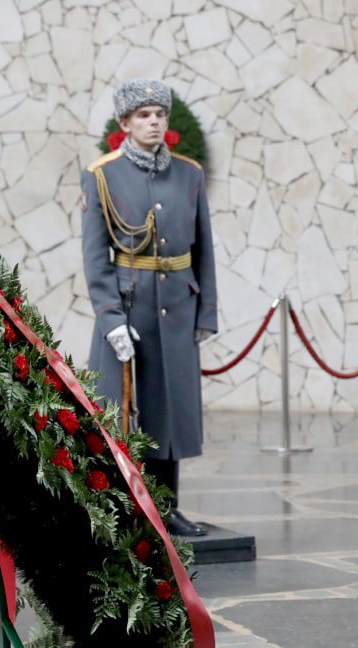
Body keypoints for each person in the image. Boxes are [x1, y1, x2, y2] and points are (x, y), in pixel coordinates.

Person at [82, 78, 217, 537]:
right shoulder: (103, 174)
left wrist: (206, 313)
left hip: (179, 304)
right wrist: (110, 317)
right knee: (122, 411)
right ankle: (123, 508)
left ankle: (168, 508)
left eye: (159, 113)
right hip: (129, 304)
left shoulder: (189, 173)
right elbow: (95, 255)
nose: (154, 121)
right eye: (143, 115)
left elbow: (204, 250)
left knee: (171, 412)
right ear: (125, 123)